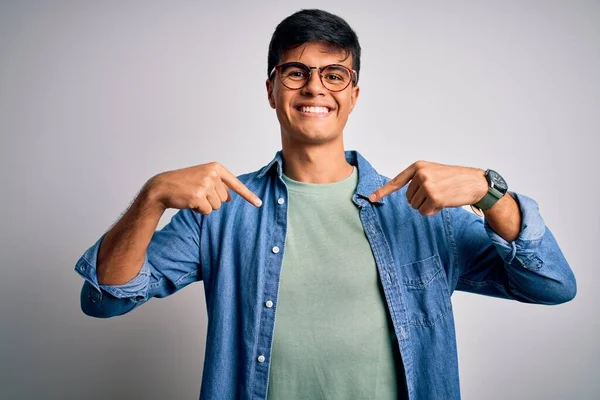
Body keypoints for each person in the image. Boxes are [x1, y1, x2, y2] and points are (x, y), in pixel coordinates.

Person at [74, 9, 577, 400]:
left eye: (334, 75)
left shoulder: (420, 210)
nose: (315, 86)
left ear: (353, 94)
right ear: (271, 90)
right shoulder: (220, 211)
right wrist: (152, 197)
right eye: (296, 73)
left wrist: (491, 193)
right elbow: (104, 300)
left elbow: (552, 287)